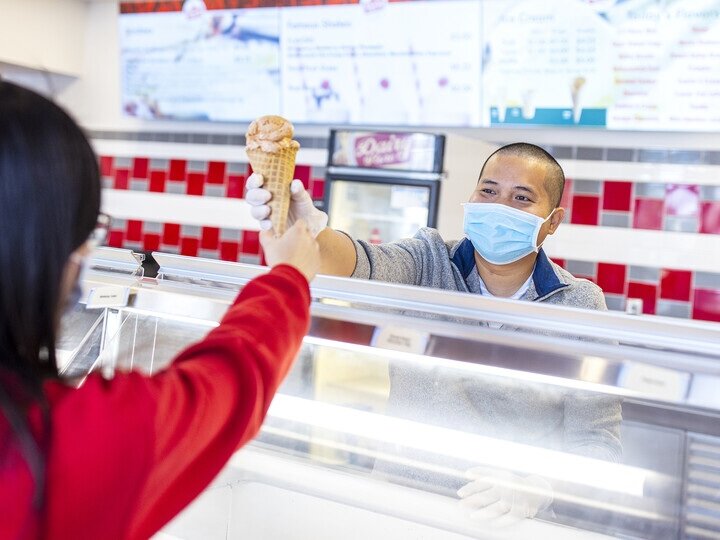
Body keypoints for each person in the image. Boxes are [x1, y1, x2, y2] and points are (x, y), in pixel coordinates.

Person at [0, 81, 319, 539]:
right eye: (85, 234)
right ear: (39, 252)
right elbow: (229, 382)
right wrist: (288, 277)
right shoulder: (65, 449)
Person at [246, 142, 622, 524]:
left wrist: (537, 488)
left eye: (521, 198)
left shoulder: (579, 305)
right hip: (401, 510)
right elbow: (361, 263)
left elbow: (598, 443)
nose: (498, 207)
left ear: (553, 221)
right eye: (488, 191)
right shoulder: (428, 261)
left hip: (508, 524)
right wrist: (312, 233)